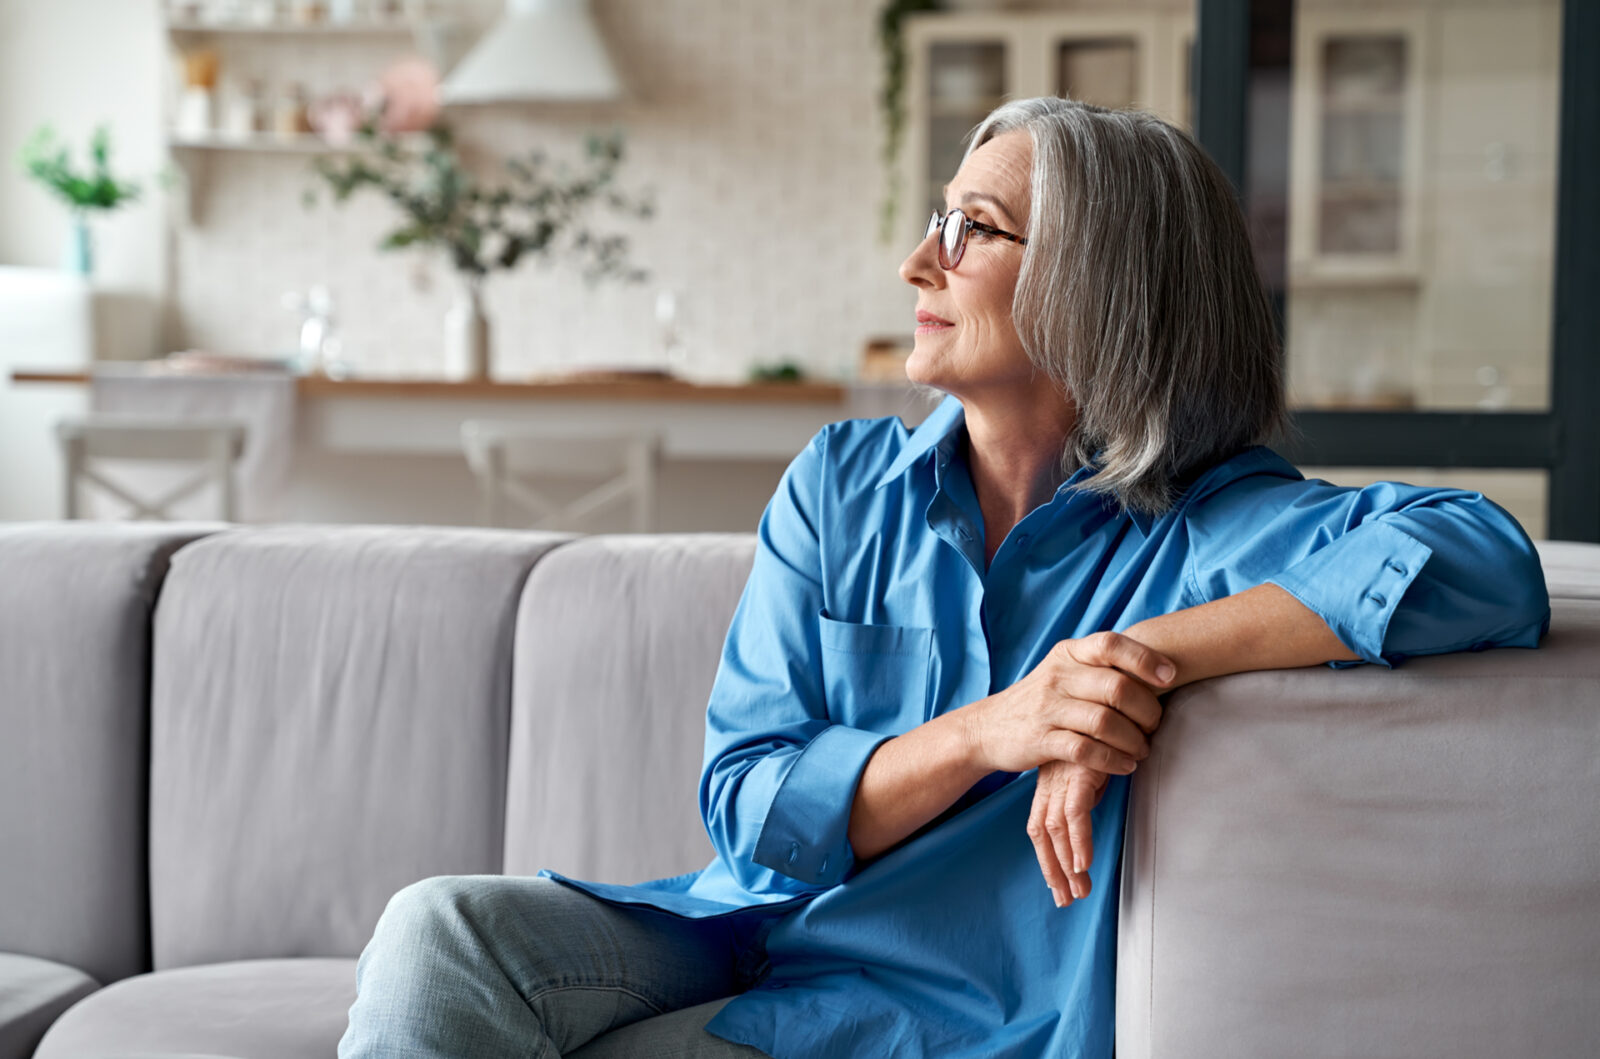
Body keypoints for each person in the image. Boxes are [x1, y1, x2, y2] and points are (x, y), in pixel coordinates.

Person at [339, 97, 1549, 1059]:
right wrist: (999, 730)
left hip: (935, 1017)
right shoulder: (841, 482)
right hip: (752, 936)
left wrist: (1143, 656)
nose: (920, 259)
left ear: (1099, 288)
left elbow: (1485, 559)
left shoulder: (1210, 529)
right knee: (443, 933)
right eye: (938, 218)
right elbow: (748, 802)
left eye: (971, 228)